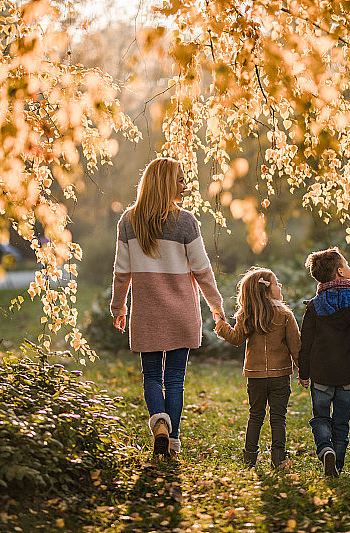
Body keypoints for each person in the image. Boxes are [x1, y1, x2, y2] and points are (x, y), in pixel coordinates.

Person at [111, 157, 224, 459]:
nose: (186, 185)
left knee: (151, 376)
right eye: (180, 180)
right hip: (181, 312)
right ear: (165, 184)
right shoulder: (186, 222)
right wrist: (216, 304)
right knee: (175, 378)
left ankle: (159, 422)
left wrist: (119, 306)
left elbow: (122, 272)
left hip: (146, 313)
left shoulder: (128, 221)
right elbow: (202, 270)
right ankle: (172, 442)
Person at [298, 247, 350, 477]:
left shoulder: (314, 306)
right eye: (346, 264)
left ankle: (325, 450)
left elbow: (305, 344)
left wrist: (303, 373)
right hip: (349, 374)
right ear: (340, 272)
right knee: (341, 422)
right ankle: (338, 465)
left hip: (321, 375)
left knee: (321, 418)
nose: (349, 267)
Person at [214, 267, 300, 468]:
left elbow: (236, 338)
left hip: (255, 376)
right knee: (278, 418)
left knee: (255, 416)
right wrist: (303, 373)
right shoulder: (285, 315)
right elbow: (296, 348)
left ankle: (249, 458)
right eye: (277, 284)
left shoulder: (247, 315)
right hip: (280, 376)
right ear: (267, 290)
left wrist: (220, 324)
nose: (280, 287)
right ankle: (278, 458)